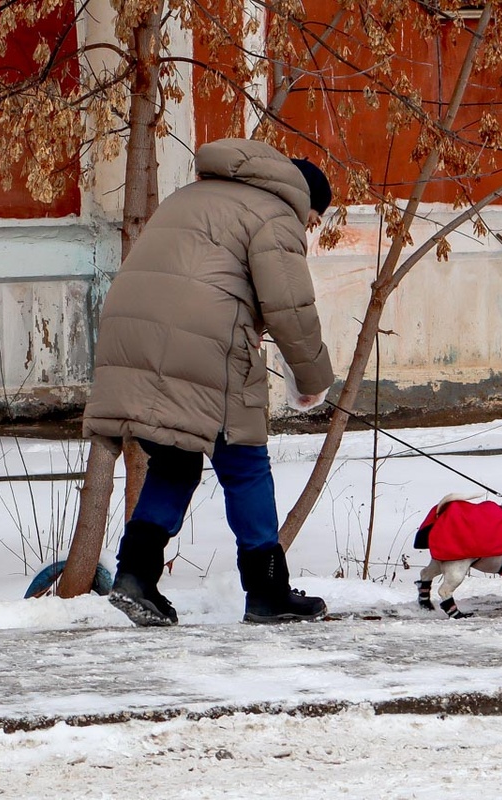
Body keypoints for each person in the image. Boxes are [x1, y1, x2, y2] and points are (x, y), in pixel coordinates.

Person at [82, 138, 335, 627]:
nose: (309, 228)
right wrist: (312, 379)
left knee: (175, 460)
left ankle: (135, 576)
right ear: (305, 201)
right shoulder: (275, 213)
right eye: (315, 219)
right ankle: (267, 592)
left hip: (131, 334)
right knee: (244, 463)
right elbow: (290, 307)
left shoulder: (193, 195)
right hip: (200, 343)